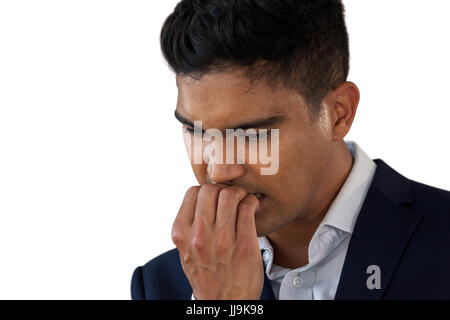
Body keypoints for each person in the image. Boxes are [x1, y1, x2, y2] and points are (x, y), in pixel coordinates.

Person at [131, 0, 450, 300]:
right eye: (195, 131)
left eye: (251, 135)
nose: (218, 170)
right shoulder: (161, 284)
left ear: (339, 114)